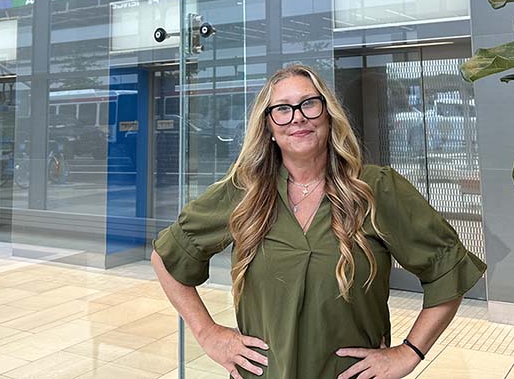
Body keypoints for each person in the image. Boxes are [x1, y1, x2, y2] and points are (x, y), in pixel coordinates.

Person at [151, 65, 486, 378]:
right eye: (282, 109)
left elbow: (449, 268)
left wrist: (410, 351)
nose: (297, 118)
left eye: (309, 104)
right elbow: (167, 257)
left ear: (328, 115)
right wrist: (208, 333)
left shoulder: (375, 189)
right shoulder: (244, 193)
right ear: (268, 127)